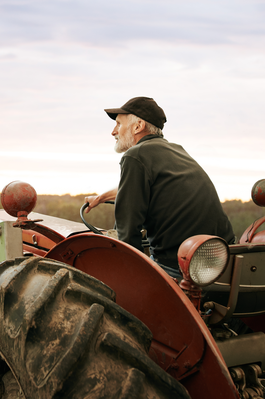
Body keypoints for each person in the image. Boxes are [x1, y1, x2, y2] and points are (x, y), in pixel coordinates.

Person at [85, 96, 235, 276]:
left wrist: (130, 270)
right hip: (223, 256)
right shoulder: (175, 150)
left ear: (138, 126)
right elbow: (137, 191)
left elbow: (128, 228)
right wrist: (101, 198)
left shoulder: (135, 155)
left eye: (118, 124)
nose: (113, 131)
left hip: (182, 265)